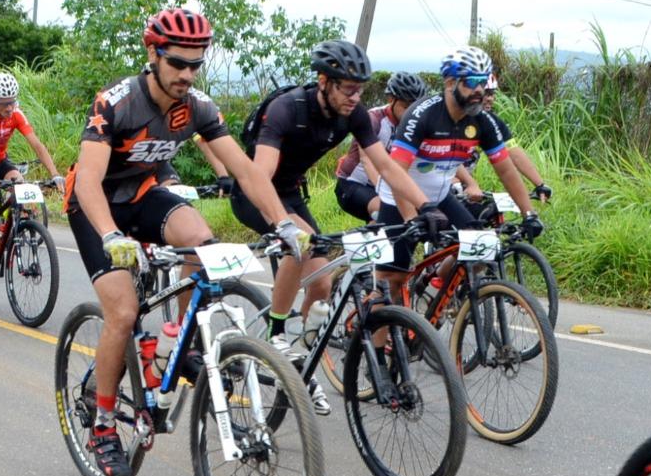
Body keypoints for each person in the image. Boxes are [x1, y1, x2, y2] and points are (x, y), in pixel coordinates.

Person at [64, 8, 307, 476]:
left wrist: (283, 223)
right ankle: (103, 424)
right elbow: (89, 180)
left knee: (201, 241)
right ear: (152, 53)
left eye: (196, 64)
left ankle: (179, 341)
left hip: (139, 194)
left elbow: (245, 170)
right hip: (94, 205)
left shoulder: (197, 106)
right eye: (178, 63)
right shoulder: (117, 102)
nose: (187, 74)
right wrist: (112, 235)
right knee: (123, 312)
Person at [230, 41, 434, 415]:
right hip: (254, 191)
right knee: (298, 244)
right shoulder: (286, 109)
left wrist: (424, 207)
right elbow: (260, 175)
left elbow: (387, 167)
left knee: (322, 283)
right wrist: (282, 223)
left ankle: (301, 357)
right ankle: (277, 336)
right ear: (323, 81)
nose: (355, 97)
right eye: (347, 88)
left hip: (290, 193)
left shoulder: (352, 115)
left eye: (360, 89)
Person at [374, 46, 543, 301]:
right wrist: (411, 219)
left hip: (440, 195)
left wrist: (528, 212)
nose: (480, 90)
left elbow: (506, 169)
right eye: (472, 82)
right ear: (450, 82)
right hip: (401, 197)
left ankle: (430, 295)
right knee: (392, 281)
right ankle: (374, 340)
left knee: (480, 250)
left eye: (483, 82)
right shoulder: (423, 115)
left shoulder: (482, 122)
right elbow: (396, 172)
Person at [0, 72, 65, 303]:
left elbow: (37, 144)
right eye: (6, 104)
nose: (10, 108)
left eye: (13, 102)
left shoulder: (16, 115)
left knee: (19, 182)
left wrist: (55, 175)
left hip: (0, 161)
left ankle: (9, 227)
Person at [335, 71, 427, 222]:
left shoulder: (416, 124)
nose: (411, 113)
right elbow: (367, 161)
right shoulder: (374, 119)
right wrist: (388, 194)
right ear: (391, 99)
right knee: (389, 211)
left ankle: (371, 238)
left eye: (415, 107)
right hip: (353, 184)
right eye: (406, 107)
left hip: (386, 186)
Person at [455, 72, 553, 204]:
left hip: (467, 188)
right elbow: (444, 161)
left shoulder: (491, 122)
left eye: (492, 93)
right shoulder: (456, 119)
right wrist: (457, 184)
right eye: (487, 93)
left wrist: (540, 184)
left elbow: (513, 152)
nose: (490, 98)